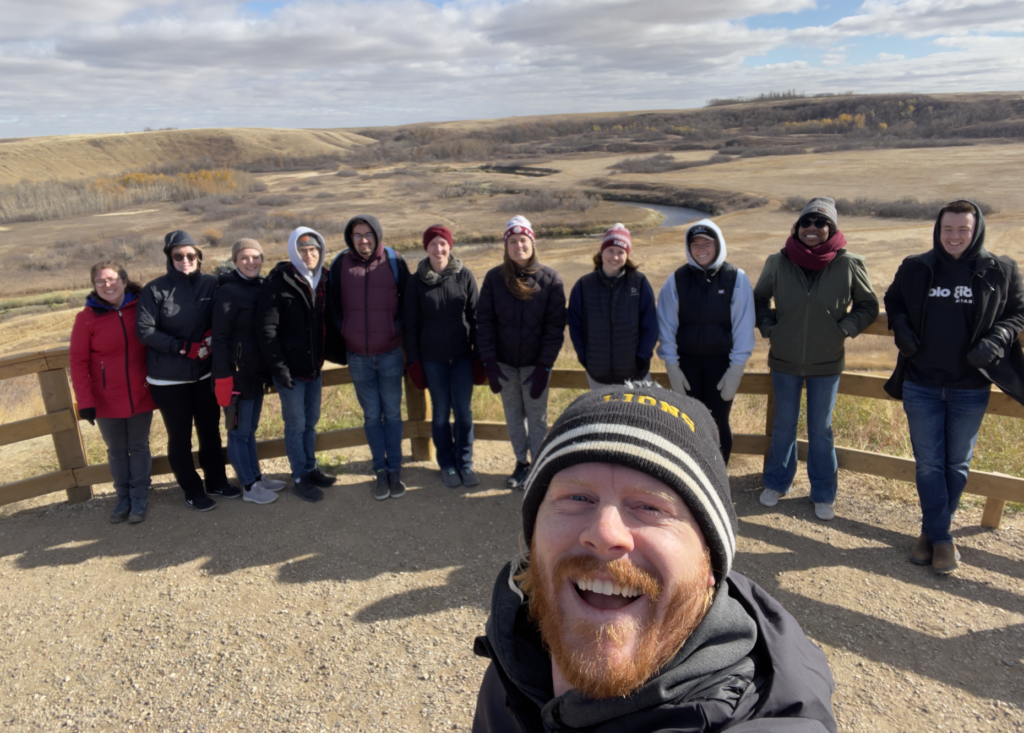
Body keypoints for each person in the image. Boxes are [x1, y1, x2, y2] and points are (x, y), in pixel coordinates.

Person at [472, 385, 837, 732]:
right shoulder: (514, 664)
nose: (604, 534)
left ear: (710, 562)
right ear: (533, 538)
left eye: (649, 506)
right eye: (577, 498)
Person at [884, 200, 1024, 574]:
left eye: (963, 229)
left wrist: (997, 340)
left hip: (971, 385)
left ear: (976, 230)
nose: (955, 236)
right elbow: (893, 300)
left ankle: (931, 534)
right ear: (938, 229)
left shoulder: (1000, 269)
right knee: (930, 464)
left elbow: (1018, 311)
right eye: (948, 229)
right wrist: (901, 329)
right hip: (921, 383)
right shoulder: (917, 267)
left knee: (957, 464)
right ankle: (943, 540)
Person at [753, 198, 878, 521]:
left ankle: (823, 493)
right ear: (797, 227)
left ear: (831, 228)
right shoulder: (778, 262)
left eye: (820, 223)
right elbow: (759, 299)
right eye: (806, 222)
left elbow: (867, 305)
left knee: (820, 430)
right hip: (784, 358)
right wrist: (770, 329)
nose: (812, 228)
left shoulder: (849, 263)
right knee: (783, 426)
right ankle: (777, 483)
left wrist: (844, 330)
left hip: (827, 361)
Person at [137, 230, 233, 511]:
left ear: (199, 257)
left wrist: (210, 337)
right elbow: (144, 331)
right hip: (168, 379)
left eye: (190, 255)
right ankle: (192, 489)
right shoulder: (155, 289)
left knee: (210, 430)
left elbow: (225, 311)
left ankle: (216, 481)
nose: (185, 260)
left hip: (203, 374)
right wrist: (182, 347)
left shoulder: (211, 284)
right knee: (180, 436)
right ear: (170, 258)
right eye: (178, 255)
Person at [477, 216, 566, 489]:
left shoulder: (550, 280)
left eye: (523, 240)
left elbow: (554, 328)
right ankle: (521, 463)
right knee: (513, 416)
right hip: (504, 365)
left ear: (532, 242)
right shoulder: (494, 278)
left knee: (537, 418)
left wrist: (544, 366)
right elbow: (485, 322)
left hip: (534, 366)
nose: (518, 246)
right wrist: (489, 362)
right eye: (512, 241)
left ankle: (539, 465)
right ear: (506, 245)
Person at [657, 219, 755, 463]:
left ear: (718, 244)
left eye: (706, 243)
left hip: (721, 363)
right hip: (686, 363)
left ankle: (718, 479)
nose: (701, 248)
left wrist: (736, 369)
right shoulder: (677, 279)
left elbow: (744, 325)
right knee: (686, 421)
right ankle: (690, 478)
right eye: (695, 243)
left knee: (718, 421)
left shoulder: (736, 278)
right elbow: (666, 325)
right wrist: (671, 365)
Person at [328, 214, 411, 501]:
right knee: (372, 415)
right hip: (358, 356)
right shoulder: (340, 264)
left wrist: (395, 328)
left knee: (392, 413)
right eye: (357, 235)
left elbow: (407, 300)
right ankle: (380, 470)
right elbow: (333, 304)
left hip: (389, 352)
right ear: (350, 238)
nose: (363, 240)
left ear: (377, 235)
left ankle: (395, 471)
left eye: (368, 234)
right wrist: (344, 329)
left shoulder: (394, 260)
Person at [70, 262, 158, 524]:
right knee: (117, 450)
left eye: (112, 279)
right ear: (94, 286)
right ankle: (123, 497)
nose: (107, 285)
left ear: (123, 280)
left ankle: (140, 496)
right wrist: (84, 402)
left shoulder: (142, 307)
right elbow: (78, 361)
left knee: (139, 446)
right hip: (105, 398)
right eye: (101, 282)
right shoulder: (86, 318)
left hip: (141, 392)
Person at [257, 227, 337, 503]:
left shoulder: (324, 279)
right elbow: (267, 331)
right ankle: (300, 476)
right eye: (303, 250)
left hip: (314, 369)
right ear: (293, 251)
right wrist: (278, 368)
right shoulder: (278, 282)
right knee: (295, 424)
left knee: (311, 422)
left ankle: (311, 467)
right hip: (290, 371)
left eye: (314, 250)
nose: (309, 255)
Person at [404, 225, 482, 489]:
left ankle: (465, 463)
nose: (439, 249)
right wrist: (414, 362)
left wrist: (479, 356)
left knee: (463, 413)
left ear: (450, 246)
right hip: (432, 360)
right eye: (433, 244)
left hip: (462, 359)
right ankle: (447, 465)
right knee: (440, 415)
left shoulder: (465, 276)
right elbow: (411, 326)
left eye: (443, 243)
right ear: (426, 248)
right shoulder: (415, 283)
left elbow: (476, 319)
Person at [212, 238, 287, 505]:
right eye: (244, 257)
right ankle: (248, 485)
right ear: (235, 261)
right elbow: (219, 338)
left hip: (256, 374)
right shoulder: (228, 291)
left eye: (256, 257)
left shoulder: (261, 287)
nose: (251, 262)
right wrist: (223, 376)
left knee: (250, 430)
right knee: (238, 432)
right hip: (235, 376)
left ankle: (256, 476)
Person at [568, 223, 658, 389]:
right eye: (610, 250)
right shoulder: (583, 285)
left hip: (636, 374)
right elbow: (576, 326)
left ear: (627, 255)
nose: (614, 257)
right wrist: (584, 358)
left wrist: (641, 358)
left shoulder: (639, 283)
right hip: (597, 374)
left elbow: (650, 325)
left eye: (620, 252)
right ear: (602, 251)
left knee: (638, 415)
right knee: (604, 415)